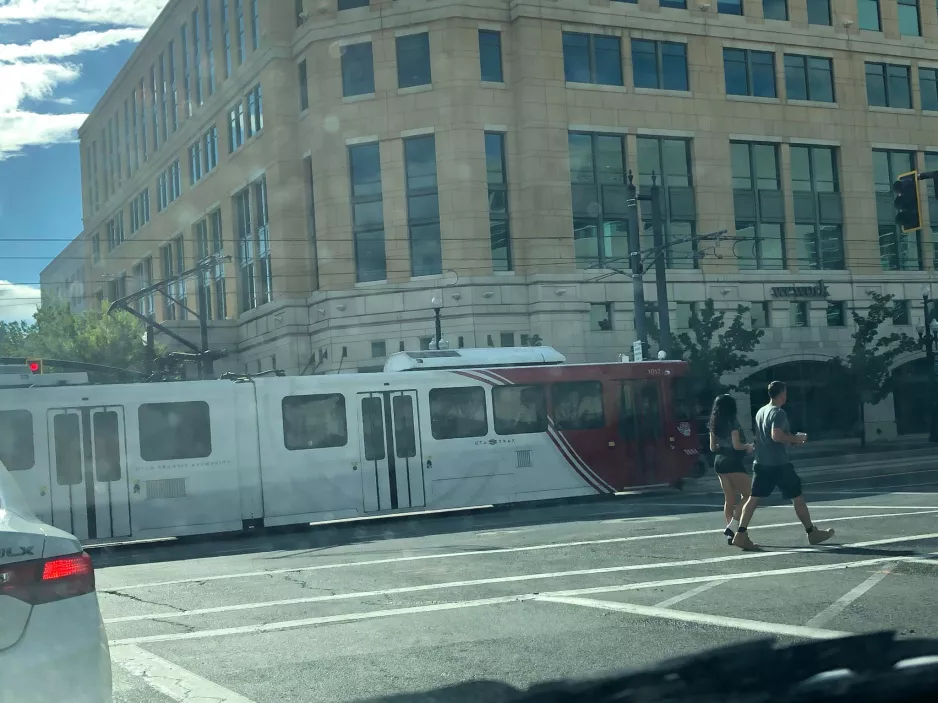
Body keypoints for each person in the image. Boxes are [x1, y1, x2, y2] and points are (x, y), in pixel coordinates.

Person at [732, 381, 835, 550]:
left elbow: (767, 437)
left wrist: (790, 440)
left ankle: (741, 534)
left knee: (753, 499)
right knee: (797, 497)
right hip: (778, 464)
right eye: (785, 392)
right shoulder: (778, 413)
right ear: (781, 394)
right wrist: (796, 439)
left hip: (761, 462)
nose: (786, 396)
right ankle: (812, 532)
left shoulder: (761, 411)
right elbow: (776, 436)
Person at [708, 394, 754, 545]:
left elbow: (712, 447)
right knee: (749, 494)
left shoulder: (713, 423)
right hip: (733, 461)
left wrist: (723, 447)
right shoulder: (732, 421)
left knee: (729, 498)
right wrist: (748, 446)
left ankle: (730, 533)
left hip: (719, 462)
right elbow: (736, 445)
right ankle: (733, 527)